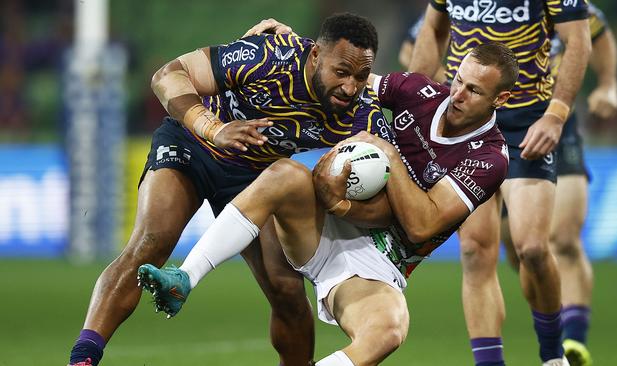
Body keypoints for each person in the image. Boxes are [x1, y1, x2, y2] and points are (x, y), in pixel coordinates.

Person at [137, 42, 516, 366]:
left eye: (474, 91)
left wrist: (388, 153)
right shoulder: (421, 93)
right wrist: (298, 46)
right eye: (458, 81)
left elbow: (422, 226)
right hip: (322, 226)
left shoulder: (489, 158)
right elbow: (345, 74)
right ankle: (185, 277)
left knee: (388, 330)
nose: (458, 95)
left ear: (501, 99)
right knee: (284, 173)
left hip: (378, 265)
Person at [67, 13, 395, 366]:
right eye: (341, 73)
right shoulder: (271, 56)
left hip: (256, 175)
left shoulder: (363, 117)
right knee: (152, 242)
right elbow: (168, 75)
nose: (350, 87)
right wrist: (213, 127)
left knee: (286, 289)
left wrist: (345, 205)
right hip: (192, 145)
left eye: (361, 77)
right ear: (315, 56)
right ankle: (83, 358)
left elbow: (393, 196)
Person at [409, 1, 592, 365]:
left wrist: (556, 115)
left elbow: (579, 42)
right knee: (475, 252)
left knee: (533, 249)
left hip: (527, 122)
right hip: (466, 122)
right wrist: (416, 94)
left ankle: (552, 355)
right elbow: (432, 27)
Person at [500, 4, 617, 366]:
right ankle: (551, 315)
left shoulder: (563, 6)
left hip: (556, 123)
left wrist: (608, 84)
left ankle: (573, 342)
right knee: (519, 247)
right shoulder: (470, 10)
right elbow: (420, 40)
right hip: (493, 128)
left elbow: (597, 35)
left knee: (563, 239)